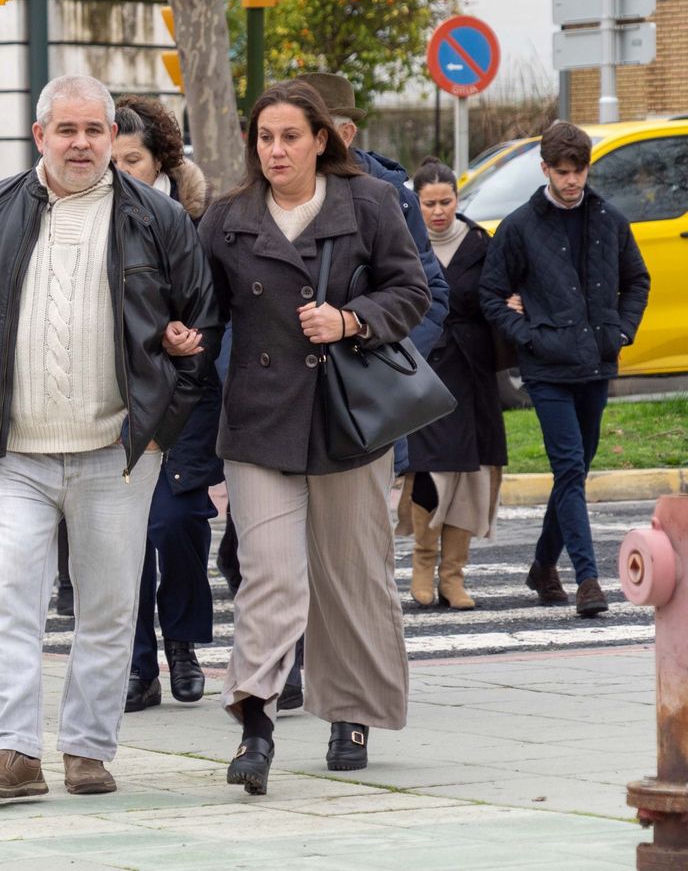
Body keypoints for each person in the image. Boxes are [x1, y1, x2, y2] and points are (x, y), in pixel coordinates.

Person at [0, 73, 219, 801]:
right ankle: (13, 753)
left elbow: (202, 329)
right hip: (12, 451)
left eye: (95, 130)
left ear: (114, 138)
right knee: (10, 597)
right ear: (40, 135)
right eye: (66, 130)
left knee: (109, 607)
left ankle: (86, 749)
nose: (81, 144)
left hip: (119, 451)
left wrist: (160, 431)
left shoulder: (158, 221)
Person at [199, 79, 430, 795]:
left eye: (290, 137)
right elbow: (202, 311)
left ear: (321, 140)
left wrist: (351, 320)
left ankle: (351, 713)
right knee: (269, 573)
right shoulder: (228, 215)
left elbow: (412, 291)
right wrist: (185, 336)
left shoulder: (370, 203)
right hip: (261, 420)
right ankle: (257, 722)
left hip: (346, 418)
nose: (275, 150)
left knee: (351, 574)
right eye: (264, 138)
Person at [480, 119, 650, 618]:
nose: (571, 180)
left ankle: (540, 565)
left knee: (573, 471)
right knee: (570, 468)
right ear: (545, 169)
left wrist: (622, 330)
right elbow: (490, 294)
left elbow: (637, 279)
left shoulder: (609, 219)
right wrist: (527, 336)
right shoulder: (519, 226)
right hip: (546, 368)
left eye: (578, 171)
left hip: (596, 363)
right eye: (562, 171)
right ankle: (589, 579)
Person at [112, 96, 221, 713]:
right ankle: (136, 664)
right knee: (119, 538)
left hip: (186, 396)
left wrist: (189, 342)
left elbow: (214, 311)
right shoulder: (85, 217)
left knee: (176, 525)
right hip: (112, 402)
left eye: (136, 159)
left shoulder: (196, 221)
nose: (124, 170)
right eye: (115, 159)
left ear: (162, 162)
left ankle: (181, 640)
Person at [400, 161, 508, 610]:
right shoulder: (402, 243)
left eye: (447, 202)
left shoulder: (482, 243)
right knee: (430, 469)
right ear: (417, 202)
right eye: (430, 203)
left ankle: (453, 575)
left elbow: (500, 291)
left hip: (473, 371)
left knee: (473, 474)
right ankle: (423, 566)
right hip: (426, 369)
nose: (439, 211)